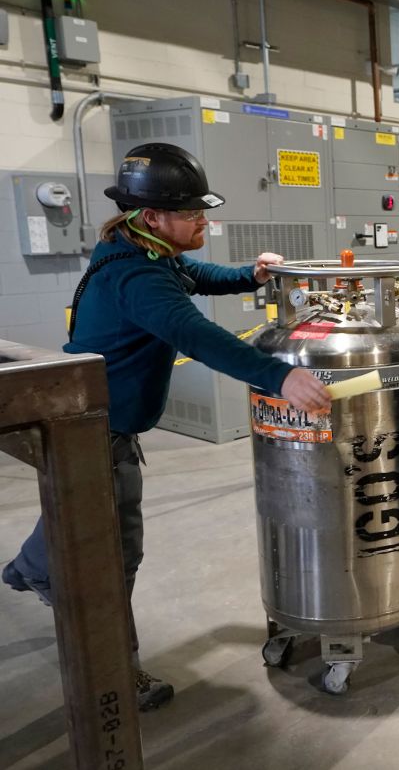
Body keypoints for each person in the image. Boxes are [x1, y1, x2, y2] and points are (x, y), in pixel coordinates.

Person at [2, 142, 331, 711]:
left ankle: (34, 570)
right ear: (152, 217)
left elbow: (194, 276)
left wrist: (250, 276)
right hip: (94, 432)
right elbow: (196, 334)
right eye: (192, 214)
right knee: (114, 555)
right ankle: (113, 672)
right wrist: (277, 379)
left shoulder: (143, 251)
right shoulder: (138, 276)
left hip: (96, 423)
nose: (204, 221)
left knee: (79, 518)